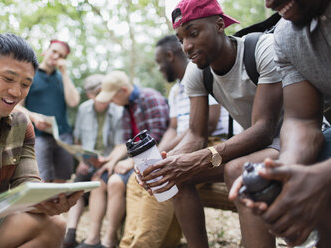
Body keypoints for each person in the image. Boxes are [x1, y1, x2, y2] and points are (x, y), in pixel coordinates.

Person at [139, 0, 283, 247]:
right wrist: (162, 165)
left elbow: (263, 130)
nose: (187, 46)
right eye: (181, 39)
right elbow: (196, 135)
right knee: (177, 176)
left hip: (294, 139)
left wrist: (202, 157)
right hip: (258, 148)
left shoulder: (261, 49)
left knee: (237, 170)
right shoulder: (198, 72)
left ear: (219, 25)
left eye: (194, 34)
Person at [0, 33, 83, 248]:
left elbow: (26, 185)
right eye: (7, 79)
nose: (16, 92)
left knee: (54, 224)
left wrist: (47, 202)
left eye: (25, 84)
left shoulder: (20, 125)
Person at [229, 0, 331, 247]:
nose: (269, 3)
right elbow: (302, 119)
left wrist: (323, 177)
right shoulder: (287, 34)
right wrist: (286, 170)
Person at [94, 71, 176, 248]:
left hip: (152, 158)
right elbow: (125, 142)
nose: (111, 102)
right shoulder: (126, 108)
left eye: (112, 97)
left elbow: (159, 137)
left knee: (117, 182)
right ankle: (107, 239)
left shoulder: (150, 98)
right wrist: (111, 161)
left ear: (123, 90)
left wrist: (130, 162)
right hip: (136, 159)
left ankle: (114, 240)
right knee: (105, 179)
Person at [63, 74, 130, 248]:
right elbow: (77, 140)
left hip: (111, 162)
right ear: (90, 95)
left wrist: (109, 161)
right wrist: (82, 161)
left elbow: (121, 144)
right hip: (89, 162)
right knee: (76, 188)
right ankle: (70, 235)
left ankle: (97, 238)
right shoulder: (84, 109)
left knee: (96, 183)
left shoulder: (118, 110)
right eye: (96, 93)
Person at [18, 39, 80, 182]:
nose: (57, 56)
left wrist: (64, 73)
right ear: (45, 52)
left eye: (62, 55)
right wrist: (33, 117)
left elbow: (73, 102)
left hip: (63, 137)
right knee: (41, 181)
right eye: (54, 51)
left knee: (62, 182)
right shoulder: (29, 74)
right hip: (38, 136)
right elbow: (17, 106)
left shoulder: (63, 78)